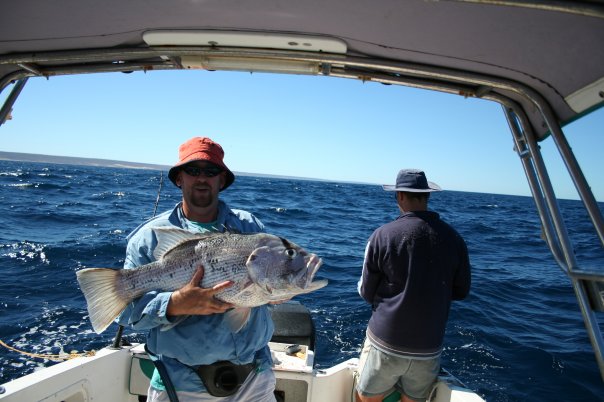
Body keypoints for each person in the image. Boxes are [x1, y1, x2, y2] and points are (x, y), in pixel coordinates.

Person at [118, 136, 277, 402]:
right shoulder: (150, 237)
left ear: (221, 180)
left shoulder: (250, 226)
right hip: (180, 384)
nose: (201, 178)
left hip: (254, 378)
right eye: (193, 171)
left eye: (210, 171)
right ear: (179, 178)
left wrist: (277, 289)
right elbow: (124, 313)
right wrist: (175, 303)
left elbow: (264, 288)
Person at [356, 169, 471, 402]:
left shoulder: (382, 236)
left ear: (399, 196)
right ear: (427, 196)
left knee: (366, 397)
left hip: (387, 342)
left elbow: (366, 292)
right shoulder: (455, 239)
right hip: (428, 346)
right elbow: (461, 291)